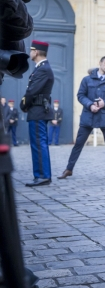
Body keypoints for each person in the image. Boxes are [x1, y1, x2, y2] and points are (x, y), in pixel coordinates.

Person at [57, 57, 105, 179]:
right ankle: (69, 169)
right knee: (79, 144)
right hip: (88, 116)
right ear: (100, 63)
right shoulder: (86, 80)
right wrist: (90, 104)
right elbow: (80, 95)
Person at [21, 40, 54, 187]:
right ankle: (41, 175)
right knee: (39, 144)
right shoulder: (41, 68)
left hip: (38, 110)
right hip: (38, 110)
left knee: (39, 144)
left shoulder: (43, 69)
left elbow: (32, 91)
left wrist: (23, 104)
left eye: (31, 50)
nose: (30, 52)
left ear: (36, 52)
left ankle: (42, 176)